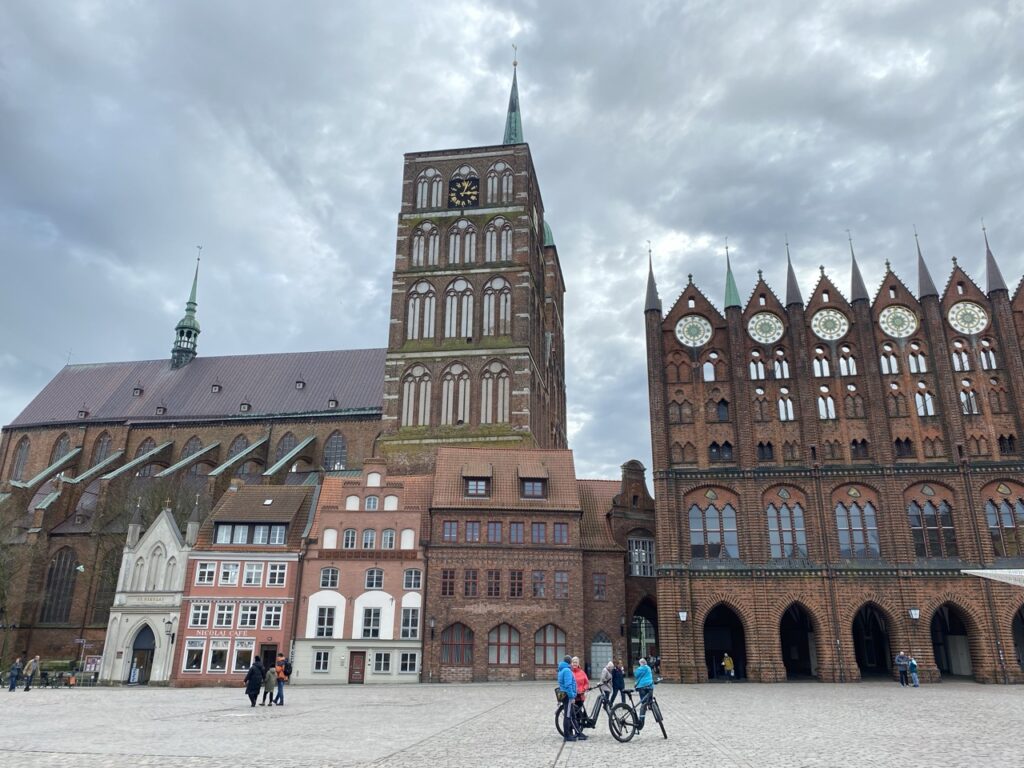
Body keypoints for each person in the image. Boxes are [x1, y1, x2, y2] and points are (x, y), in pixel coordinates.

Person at [557, 655, 580, 742]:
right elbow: (568, 685)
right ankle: (567, 736)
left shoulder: (561, 669)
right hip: (567, 696)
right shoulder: (567, 670)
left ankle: (572, 733)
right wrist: (572, 696)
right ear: (570, 662)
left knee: (570, 714)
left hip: (564, 695)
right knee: (567, 716)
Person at [570, 656, 589, 739]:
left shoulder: (582, 672)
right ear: (571, 663)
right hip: (573, 696)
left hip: (580, 696)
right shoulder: (570, 672)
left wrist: (584, 689)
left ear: (578, 664)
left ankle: (578, 730)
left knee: (579, 714)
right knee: (573, 714)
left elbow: (586, 682)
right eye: (573, 662)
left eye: (576, 662)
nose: (574, 663)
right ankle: (576, 731)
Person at [633, 658, 654, 725]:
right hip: (649, 684)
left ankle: (644, 706)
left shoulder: (639, 669)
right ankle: (650, 705)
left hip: (641, 685)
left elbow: (636, 675)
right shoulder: (648, 668)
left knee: (643, 697)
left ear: (640, 663)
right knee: (649, 695)